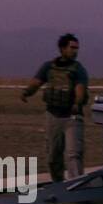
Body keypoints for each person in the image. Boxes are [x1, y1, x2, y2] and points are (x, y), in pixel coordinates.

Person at [20, 33, 89, 182]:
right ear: (62, 48)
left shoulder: (78, 69)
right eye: (72, 48)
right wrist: (27, 92)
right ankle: (59, 185)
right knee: (53, 155)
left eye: (77, 48)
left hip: (72, 117)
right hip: (53, 116)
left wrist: (77, 103)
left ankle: (76, 188)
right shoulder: (48, 67)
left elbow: (80, 88)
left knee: (73, 155)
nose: (75, 51)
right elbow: (36, 82)